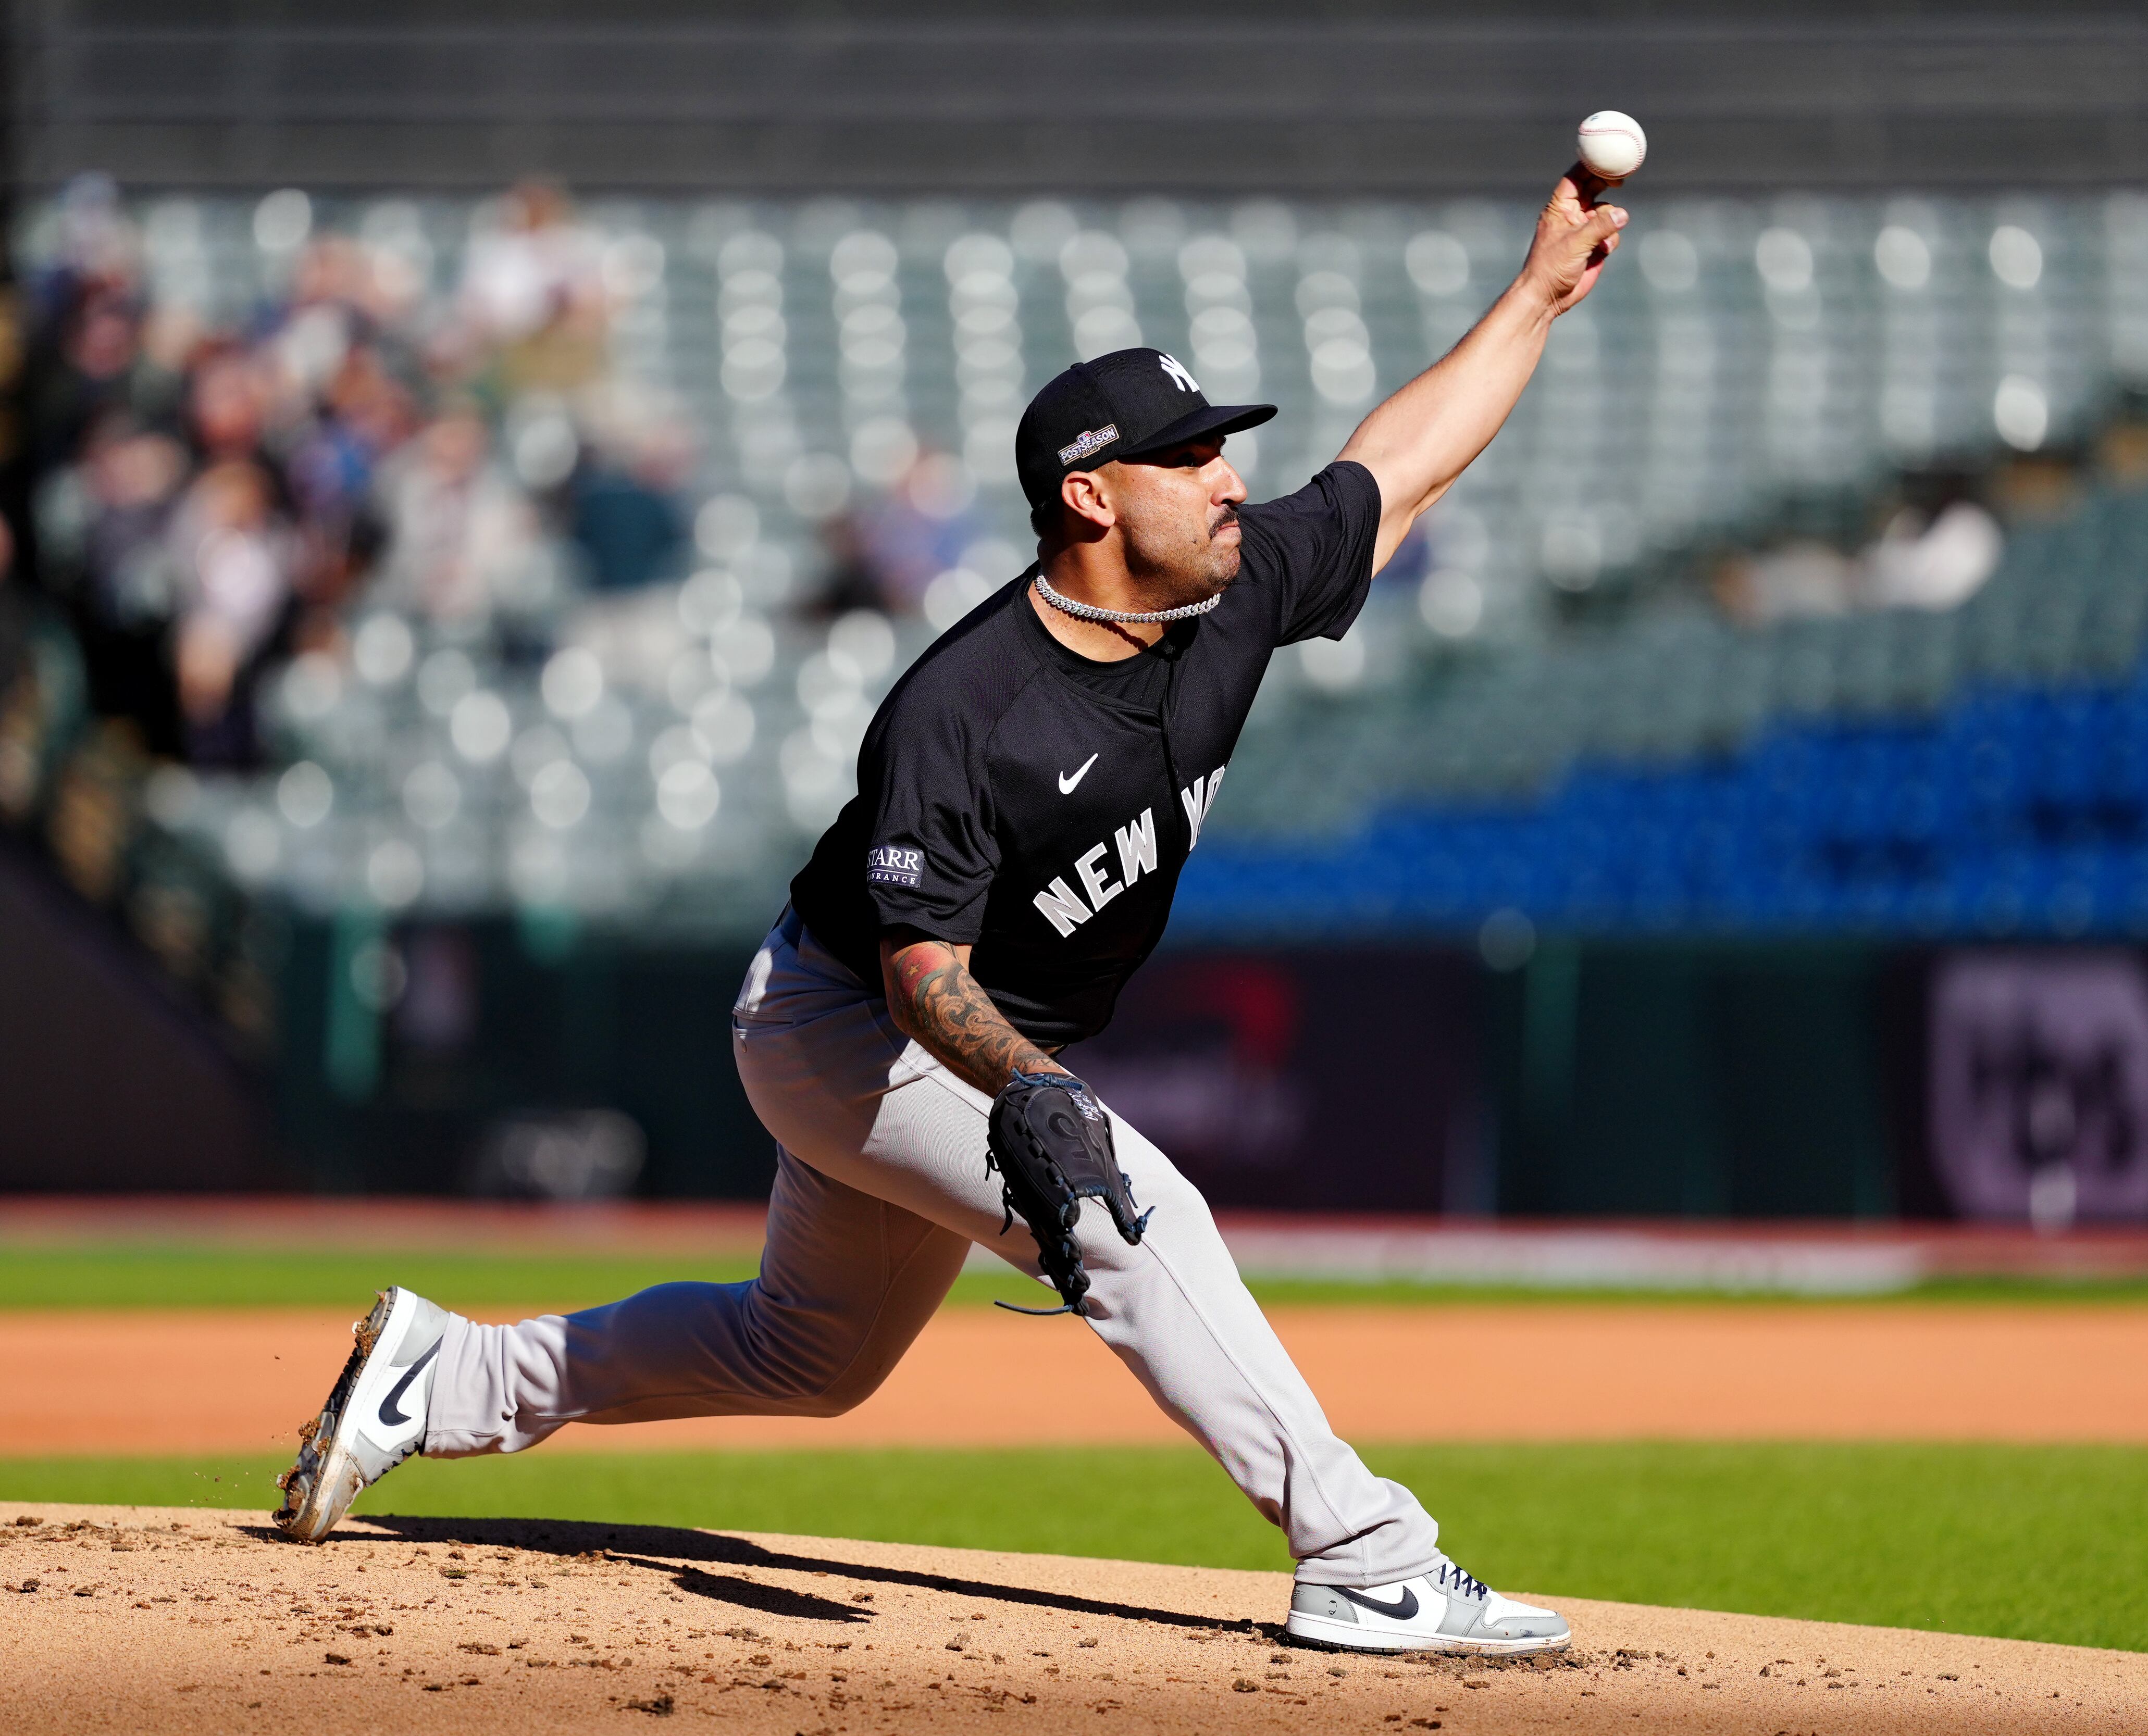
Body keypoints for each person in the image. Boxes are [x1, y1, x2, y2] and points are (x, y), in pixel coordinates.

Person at [275, 165, 1630, 1655]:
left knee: (809, 1353)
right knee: (1131, 1206)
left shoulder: (1230, 589)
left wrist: (1535, 295)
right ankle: (1364, 1552)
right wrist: (1042, 1095)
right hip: (845, 1020)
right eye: (1189, 457)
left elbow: (1403, 464)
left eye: (1222, 450)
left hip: (962, 1037)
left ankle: (444, 1378)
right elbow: (925, 968)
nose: (1229, 477)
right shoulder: (965, 710)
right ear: (1092, 494)